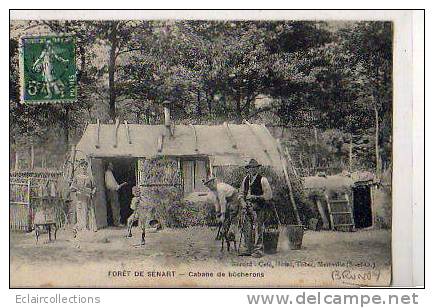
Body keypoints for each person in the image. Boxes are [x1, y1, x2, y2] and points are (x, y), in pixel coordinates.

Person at [238, 159, 273, 258]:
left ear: (257, 169)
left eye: (254, 167)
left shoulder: (263, 180)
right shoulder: (245, 179)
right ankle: (248, 249)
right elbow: (240, 194)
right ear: (248, 169)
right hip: (247, 207)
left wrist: (256, 197)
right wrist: (243, 202)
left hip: (258, 207)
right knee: (246, 228)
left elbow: (269, 195)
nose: (252, 169)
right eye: (250, 167)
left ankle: (258, 250)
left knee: (258, 228)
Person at [203, 178, 240, 244]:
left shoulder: (220, 189)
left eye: (210, 185)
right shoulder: (213, 190)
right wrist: (218, 214)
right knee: (225, 215)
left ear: (213, 183)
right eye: (207, 186)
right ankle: (224, 231)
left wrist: (222, 215)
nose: (209, 187)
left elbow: (223, 202)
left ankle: (232, 231)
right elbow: (216, 202)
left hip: (234, 196)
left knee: (232, 212)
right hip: (227, 198)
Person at [70, 159, 97, 233]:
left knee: (86, 214)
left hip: (87, 198)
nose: (83, 168)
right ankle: (78, 230)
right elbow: (72, 188)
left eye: (85, 166)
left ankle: (86, 230)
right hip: (79, 198)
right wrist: (76, 188)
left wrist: (92, 192)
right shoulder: (76, 177)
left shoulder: (90, 178)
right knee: (79, 214)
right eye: (82, 166)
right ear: (79, 167)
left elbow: (94, 187)